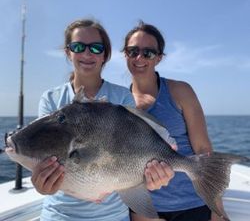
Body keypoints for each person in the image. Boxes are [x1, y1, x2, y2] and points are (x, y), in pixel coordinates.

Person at [31, 18, 174, 221]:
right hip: (59, 214)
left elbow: (134, 154)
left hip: (112, 216)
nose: (87, 53)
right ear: (68, 52)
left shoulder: (122, 97)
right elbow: (43, 157)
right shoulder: (51, 99)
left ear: (105, 54)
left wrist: (151, 178)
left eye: (96, 48)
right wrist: (41, 183)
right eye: (78, 47)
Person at [122, 21, 228, 221]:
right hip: (145, 210)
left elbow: (204, 150)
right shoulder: (119, 102)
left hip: (193, 204)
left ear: (159, 58)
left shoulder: (181, 91)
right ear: (125, 54)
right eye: (133, 51)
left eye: (148, 53)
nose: (139, 58)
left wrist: (217, 210)